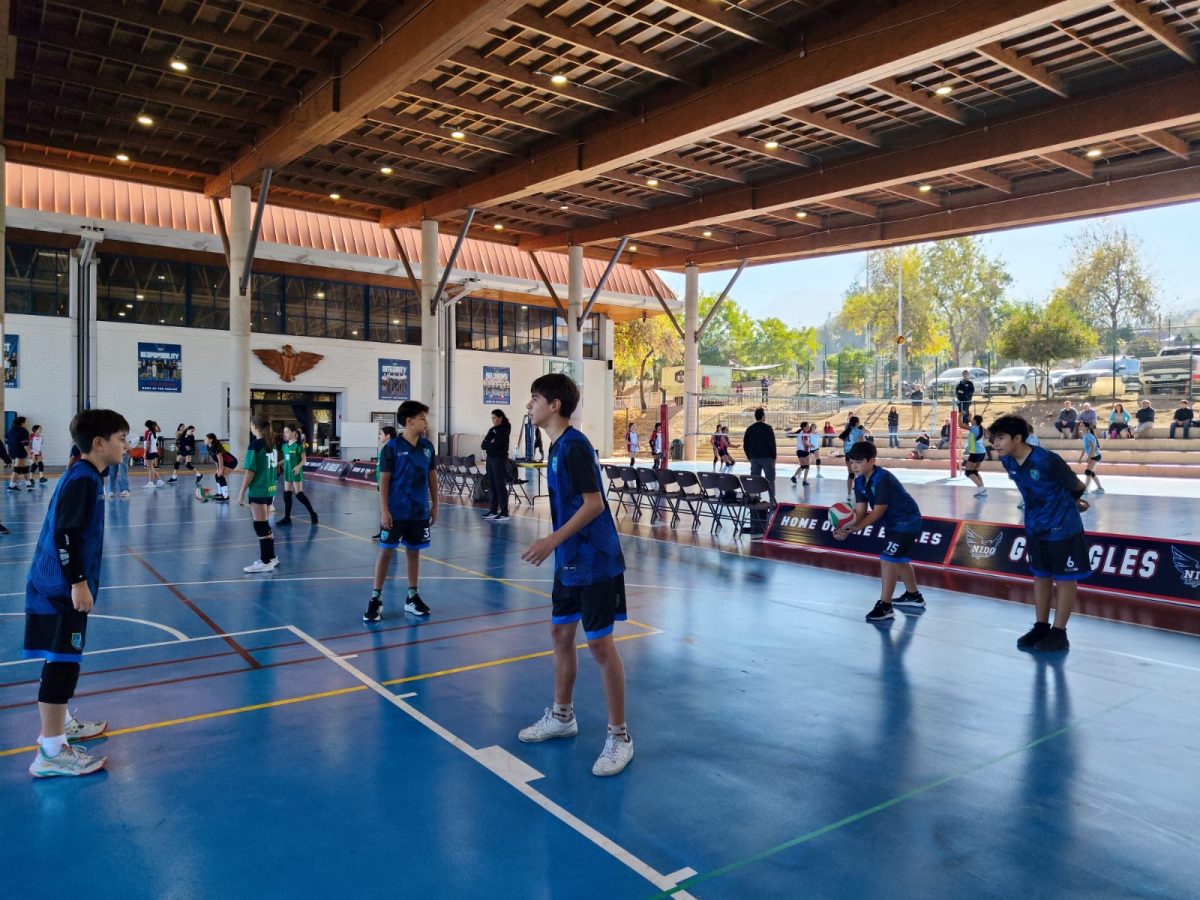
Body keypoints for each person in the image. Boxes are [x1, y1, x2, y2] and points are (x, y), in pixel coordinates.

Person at [518, 373, 633, 777]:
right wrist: (557, 547)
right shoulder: (555, 448)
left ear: (554, 405)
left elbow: (594, 505)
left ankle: (619, 737)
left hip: (595, 560)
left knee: (601, 648)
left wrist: (549, 540)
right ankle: (563, 716)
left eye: (534, 399)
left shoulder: (575, 447)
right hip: (568, 559)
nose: (528, 405)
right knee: (560, 634)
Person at [24, 409, 129, 777]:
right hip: (59, 589)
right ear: (99, 443)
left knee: (59, 658)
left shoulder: (86, 475)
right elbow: (65, 536)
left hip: (56, 585)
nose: (126, 447)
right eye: (121, 439)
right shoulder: (83, 480)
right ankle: (50, 753)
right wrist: (78, 582)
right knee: (64, 663)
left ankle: (61, 723)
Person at [990, 414, 1090, 653]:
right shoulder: (1008, 461)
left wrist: (1072, 503)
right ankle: (1041, 626)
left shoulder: (1047, 460)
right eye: (994, 438)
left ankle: (1059, 632)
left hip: (1062, 527)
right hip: (1035, 526)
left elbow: (1076, 486)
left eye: (1001, 438)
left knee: (1064, 579)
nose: (995, 443)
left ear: (1017, 438)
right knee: (1041, 576)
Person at [833, 440, 927, 623]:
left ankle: (885, 606)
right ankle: (913, 596)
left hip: (907, 520)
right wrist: (845, 529)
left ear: (871, 461)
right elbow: (860, 511)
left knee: (887, 558)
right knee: (899, 560)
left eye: (858, 462)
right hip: (893, 523)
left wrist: (856, 528)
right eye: (852, 462)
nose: (854, 466)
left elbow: (878, 511)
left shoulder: (882, 479)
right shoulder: (859, 482)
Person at [365, 400, 437, 623]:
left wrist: (436, 504)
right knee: (386, 552)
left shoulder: (427, 447)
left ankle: (412, 596)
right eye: (423, 418)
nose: (426, 421)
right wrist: (384, 511)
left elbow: (432, 476)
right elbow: (384, 482)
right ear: (410, 421)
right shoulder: (391, 449)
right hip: (395, 513)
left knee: (414, 552)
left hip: (418, 512)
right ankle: (376, 598)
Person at [236, 416, 280, 574]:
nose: (250, 427)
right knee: (265, 524)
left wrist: (241, 492)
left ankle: (265, 561)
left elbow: (250, 471)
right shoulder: (271, 445)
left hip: (259, 489)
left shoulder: (255, 444)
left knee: (260, 525)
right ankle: (272, 557)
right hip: (270, 489)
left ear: (255, 426)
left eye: (251, 425)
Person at [278, 424, 318, 526]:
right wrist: (278, 464)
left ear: (294, 433)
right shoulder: (285, 446)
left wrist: (297, 467)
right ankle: (287, 518)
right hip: (287, 472)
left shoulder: (299, 446)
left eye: (287, 432)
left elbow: (304, 460)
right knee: (287, 494)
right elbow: (286, 459)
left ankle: (313, 514)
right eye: (284, 432)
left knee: (299, 494)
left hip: (295, 472)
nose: (285, 434)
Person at [482, 409, 512, 523]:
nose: (493, 420)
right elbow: (484, 445)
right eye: (492, 418)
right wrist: (490, 443)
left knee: (500, 485)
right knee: (492, 484)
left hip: (499, 460)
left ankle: (504, 512)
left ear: (500, 418)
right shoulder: (492, 430)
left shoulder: (504, 430)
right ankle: (493, 510)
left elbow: (496, 445)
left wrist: (490, 443)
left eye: (495, 418)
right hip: (490, 459)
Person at [743, 407, 777, 505]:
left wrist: (750, 457)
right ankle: (772, 501)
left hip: (754, 458)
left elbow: (745, 445)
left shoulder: (749, 429)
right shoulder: (768, 428)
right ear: (763, 416)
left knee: (755, 480)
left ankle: (754, 499)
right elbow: (772, 444)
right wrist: (773, 457)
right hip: (767, 458)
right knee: (770, 480)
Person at [371, 425, 397, 540]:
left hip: (387, 485)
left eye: (381, 434)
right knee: (384, 510)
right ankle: (383, 531)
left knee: (388, 509)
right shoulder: (385, 448)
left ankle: (390, 532)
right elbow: (381, 467)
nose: (379, 436)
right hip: (380, 484)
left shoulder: (391, 449)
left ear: (388, 436)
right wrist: (371, 473)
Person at [203, 434, 237, 501]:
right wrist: (217, 469)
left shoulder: (215, 447)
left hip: (231, 462)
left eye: (206, 438)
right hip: (224, 462)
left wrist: (221, 469)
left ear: (211, 440)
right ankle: (220, 493)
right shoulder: (208, 447)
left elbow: (220, 458)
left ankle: (225, 496)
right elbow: (215, 459)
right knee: (217, 475)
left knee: (220, 476)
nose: (204, 440)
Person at [838, 415, 864, 500]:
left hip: (848, 453)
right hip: (855, 453)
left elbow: (844, 442)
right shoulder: (860, 431)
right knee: (858, 473)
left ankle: (849, 494)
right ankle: (858, 492)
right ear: (857, 423)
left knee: (851, 474)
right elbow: (861, 444)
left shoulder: (847, 431)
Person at [964, 414, 988, 498]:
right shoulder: (982, 429)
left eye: (972, 419)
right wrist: (970, 419)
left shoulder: (974, 428)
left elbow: (960, 424)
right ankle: (982, 489)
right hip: (982, 452)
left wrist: (960, 415)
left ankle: (981, 488)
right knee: (975, 472)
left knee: (968, 472)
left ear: (975, 421)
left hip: (976, 452)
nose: (971, 420)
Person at [7, 415, 32, 491]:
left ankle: (28, 485)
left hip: (12, 451)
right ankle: (11, 486)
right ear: (22, 423)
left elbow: (8, 442)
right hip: (20, 451)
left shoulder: (11, 430)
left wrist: (9, 453)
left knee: (24, 467)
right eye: (26, 422)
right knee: (17, 469)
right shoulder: (23, 431)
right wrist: (30, 454)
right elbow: (26, 445)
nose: (26, 423)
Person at [1078, 421, 1104, 495]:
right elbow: (1084, 447)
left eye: (1082, 426)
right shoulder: (1084, 436)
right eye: (1080, 426)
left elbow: (1093, 448)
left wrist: (1089, 458)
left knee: (1088, 472)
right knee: (1091, 473)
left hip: (1095, 456)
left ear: (1086, 427)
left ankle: (1086, 490)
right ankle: (1100, 489)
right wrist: (1080, 457)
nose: (1080, 427)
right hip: (1093, 456)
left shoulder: (1089, 436)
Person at [106, 433, 131, 500]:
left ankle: (125, 490)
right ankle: (111, 490)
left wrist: (126, 449)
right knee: (111, 472)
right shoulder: (108, 432)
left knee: (122, 472)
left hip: (122, 453)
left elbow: (125, 442)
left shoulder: (120, 431)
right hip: (112, 453)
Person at [141, 420, 164, 489]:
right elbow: (159, 430)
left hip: (149, 451)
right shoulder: (155, 431)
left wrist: (145, 453)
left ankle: (151, 483)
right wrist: (156, 424)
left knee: (150, 468)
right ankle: (159, 480)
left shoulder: (148, 432)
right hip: (154, 451)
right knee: (151, 467)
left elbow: (148, 443)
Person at [790, 420, 811, 485]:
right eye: (807, 426)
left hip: (799, 451)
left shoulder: (800, 432)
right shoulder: (804, 433)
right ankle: (804, 481)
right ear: (804, 427)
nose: (808, 427)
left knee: (803, 466)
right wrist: (810, 445)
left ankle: (794, 476)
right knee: (807, 466)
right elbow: (804, 442)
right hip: (804, 451)